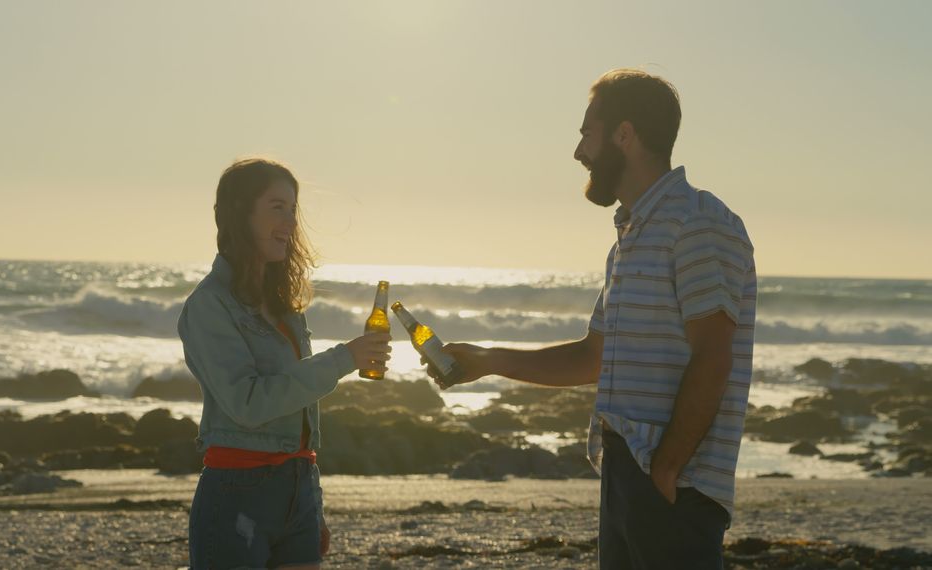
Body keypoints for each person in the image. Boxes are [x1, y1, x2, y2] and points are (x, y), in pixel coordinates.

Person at [438, 69, 757, 569]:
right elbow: (593, 357)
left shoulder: (697, 223)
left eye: (587, 132)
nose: (579, 150)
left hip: (677, 483)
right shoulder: (630, 238)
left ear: (623, 136)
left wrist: (666, 470)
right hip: (629, 472)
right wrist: (488, 360)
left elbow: (715, 356)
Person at [178, 158, 392, 569]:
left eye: (293, 210)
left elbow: (299, 416)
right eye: (278, 207)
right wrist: (345, 358)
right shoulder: (209, 306)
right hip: (237, 492)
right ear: (241, 212)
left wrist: (310, 503)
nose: (291, 223)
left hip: (297, 488)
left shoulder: (286, 306)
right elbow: (248, 403)